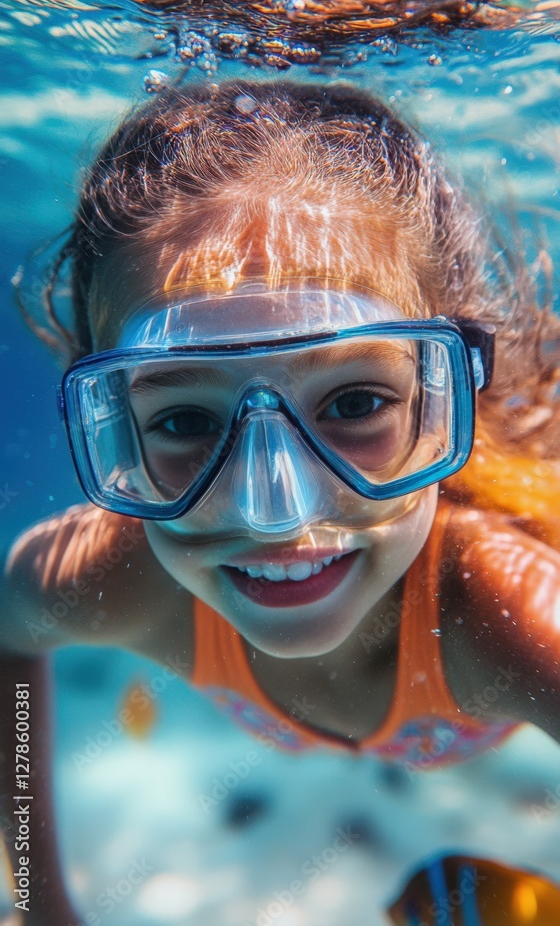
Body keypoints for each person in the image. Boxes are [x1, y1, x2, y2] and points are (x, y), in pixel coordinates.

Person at [1, 80, 559, 924]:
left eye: (356, 403)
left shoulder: (516, 618)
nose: (275, 511)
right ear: (113, 431)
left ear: (442, 402)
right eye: (185, 419)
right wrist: (41, 898)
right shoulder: (93, 578)